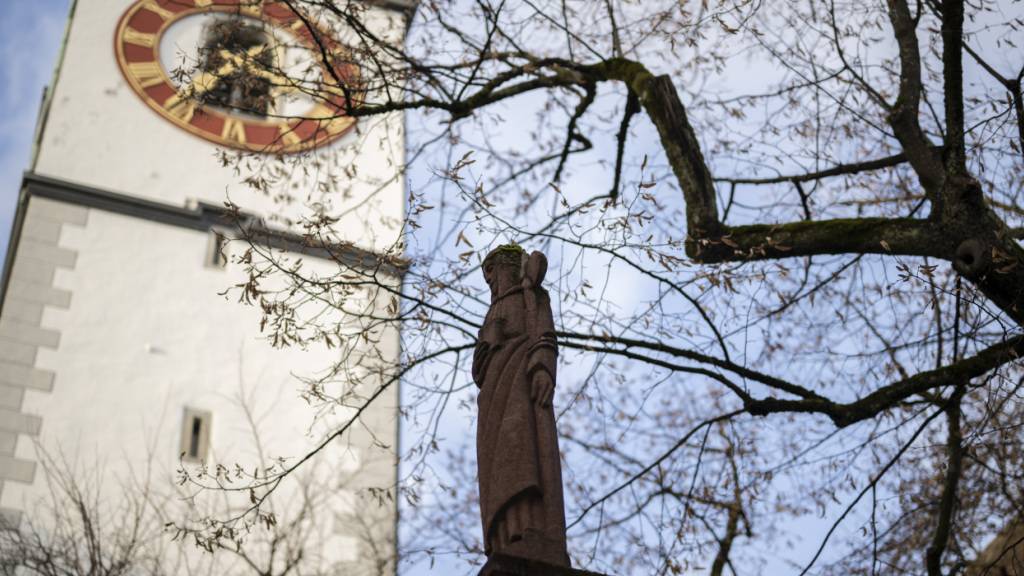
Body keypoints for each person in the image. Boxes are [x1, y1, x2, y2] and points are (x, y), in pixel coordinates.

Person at [473, 244, 569, 566]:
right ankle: (504, 536)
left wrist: (543, 367)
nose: (493, 284)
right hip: (493, 400)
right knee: (499, 468)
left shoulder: (533, 296)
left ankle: (533, 531)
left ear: (511, 268)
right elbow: (478, 369)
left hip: (520, 388)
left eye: (495, 273)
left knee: (526, 456)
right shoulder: (492, 311)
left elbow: (544, 333)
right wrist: (487, 344)